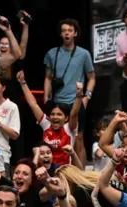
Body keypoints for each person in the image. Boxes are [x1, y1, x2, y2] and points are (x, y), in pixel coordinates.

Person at [44, 18, 95, 163]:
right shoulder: (52, 53)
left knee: (79, 138)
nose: (67, 34)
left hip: (76, 102)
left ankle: (82, 177)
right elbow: (47, 77)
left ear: (75, 33)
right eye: (64, 31)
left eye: (70, 31)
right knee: (54, 138)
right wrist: (46, 97)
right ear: (61, 34)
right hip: (57, 103)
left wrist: (87, 97)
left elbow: (91, 77)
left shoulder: (84, 54)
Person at [18, 71, 84, 167]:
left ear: (66, 118)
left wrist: (78, 96)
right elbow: (33, 104)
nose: (55, 117)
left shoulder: (69, 129)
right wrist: (23, 82)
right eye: (52, 114)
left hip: (64, 172)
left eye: (59, 114)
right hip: (47, 170)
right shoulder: (46, 125)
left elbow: (74, 114)